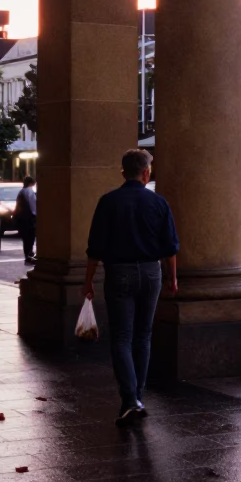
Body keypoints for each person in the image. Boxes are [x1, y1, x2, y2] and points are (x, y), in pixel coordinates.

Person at [84, 149, 179, 425]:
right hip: (151, 272)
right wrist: (172, 277)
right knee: (143, 336)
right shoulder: (159, 203)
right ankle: (138, 395)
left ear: (123, 171)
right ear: (146, 172)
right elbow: (170, 246)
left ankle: (130, 399)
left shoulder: (108, 202)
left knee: (122, 337)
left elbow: (95, 247)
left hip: (119, 272)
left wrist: (88, 280)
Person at [15, 176, 38, 262]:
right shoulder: (29, 191)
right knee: (30, 237)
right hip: (28, 218)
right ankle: (29, 254)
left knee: (26, 238)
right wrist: (35, 215)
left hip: (21, 218)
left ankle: (28, 254)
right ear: (31, 183)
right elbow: (33, 206)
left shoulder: (22, 191)